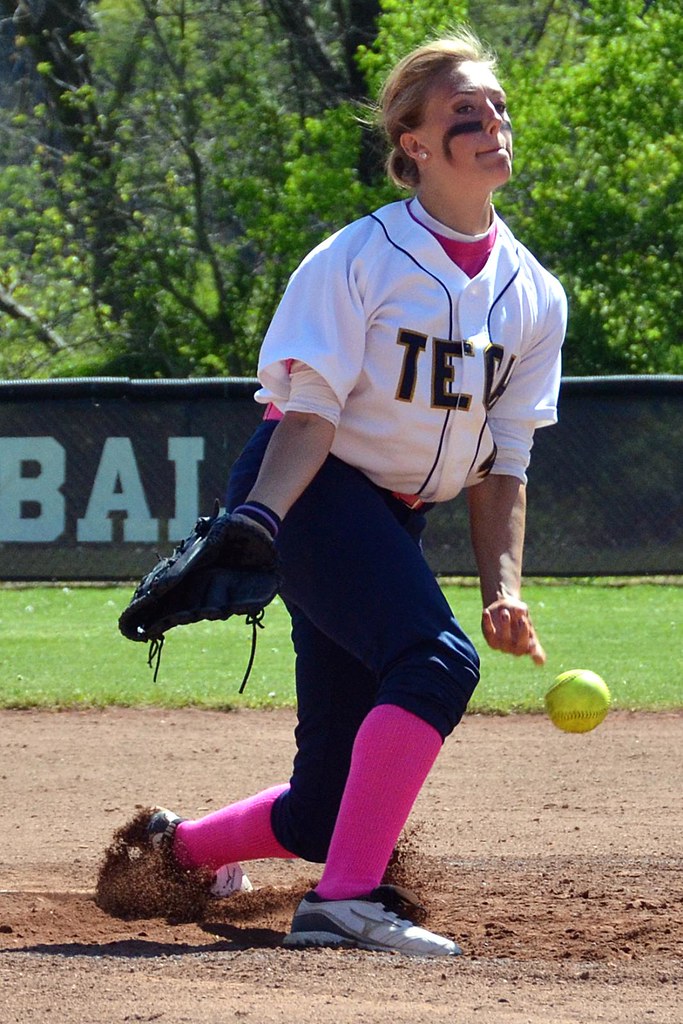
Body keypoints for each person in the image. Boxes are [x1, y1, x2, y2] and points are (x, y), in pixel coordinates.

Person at [145, 30, 567, 957]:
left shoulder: (533, 293)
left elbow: (505, 461)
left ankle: (175, 852)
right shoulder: (358, 257)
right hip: (308, 488)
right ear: (413, 143)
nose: (491, 123)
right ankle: (345, 902)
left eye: (496, 108)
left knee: (323, 809)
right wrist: (258, 520)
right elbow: (307, 418)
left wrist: (503, 588)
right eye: (465, 112)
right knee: (435, 661)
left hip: (389, 518)